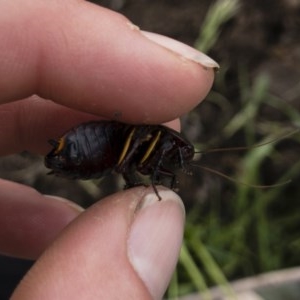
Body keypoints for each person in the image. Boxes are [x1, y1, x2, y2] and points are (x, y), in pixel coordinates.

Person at [0, 1, 218, 299]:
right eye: (181, 156)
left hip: (98, 152)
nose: (179, 163)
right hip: (99, 144)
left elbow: (143, 165)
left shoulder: (160, 153)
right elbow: (145, 147)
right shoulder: (159, 141)